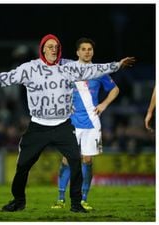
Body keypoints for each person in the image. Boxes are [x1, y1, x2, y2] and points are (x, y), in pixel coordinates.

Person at [0, 33, 135, 213]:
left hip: (63, 125)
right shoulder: (30, 68)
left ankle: (75, 203)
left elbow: (94, 69)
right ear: (42, 49)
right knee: (23, 165)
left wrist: (118, 65)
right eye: (50, 46)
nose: (54, 49)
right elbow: (6, 78)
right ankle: (18, 201)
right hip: (38, 126)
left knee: (75, 161)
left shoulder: (68, 69)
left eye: (56, 46)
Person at [51, 38, 120, 211]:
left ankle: (83, 199)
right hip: (71, 122)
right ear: (77, 52)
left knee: (87, 161)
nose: (87, 51)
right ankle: (60, 199)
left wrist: (103, 104)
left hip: (92, 122)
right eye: (83, 49)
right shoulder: (68, 69)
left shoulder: (99, 71)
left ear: (93, 52)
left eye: (90, 49)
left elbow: (115, 89)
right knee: (67, 159)